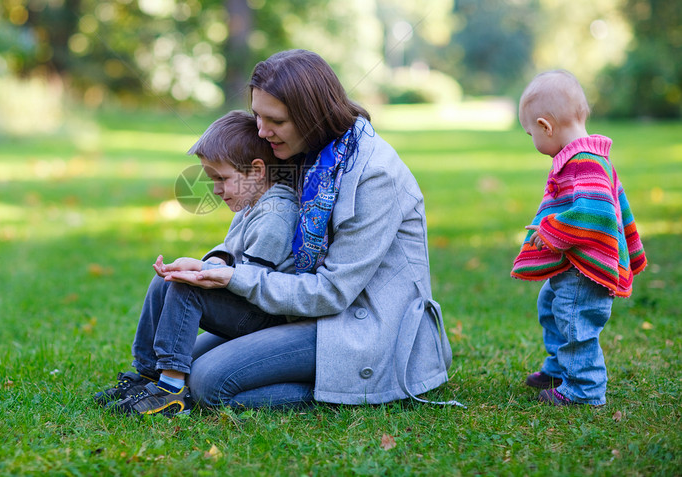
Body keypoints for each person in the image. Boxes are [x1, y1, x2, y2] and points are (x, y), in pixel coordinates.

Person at [161, 49, 456, 409]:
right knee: (184, 361)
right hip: (293, 308)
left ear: (312, 116)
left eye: (276, 121)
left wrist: (232, 278)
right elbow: (247, 234)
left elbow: (332, 293)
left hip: (355, 327)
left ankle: (351, 391)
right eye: (257, 115)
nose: (261, 130)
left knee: (209, 383)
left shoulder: (375, 175)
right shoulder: (296, 154)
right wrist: (213, 264)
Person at [95, 110, 299, 416]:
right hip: (250, 304)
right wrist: (209, 263)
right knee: (170, 279)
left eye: (222, 179)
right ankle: (148, 374)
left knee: (189, 290)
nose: (216, 189)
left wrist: (204, 276)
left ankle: (171, 391)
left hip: (267, 316)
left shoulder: (276, 214)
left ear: (257, 171)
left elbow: (256, 281)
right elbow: (233, 251)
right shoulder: (253, 204)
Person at [512, 70, 647, 407]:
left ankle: (584, 388)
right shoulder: (583, 158)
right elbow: (619, 208)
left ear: (546, 126)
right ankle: (560, 367)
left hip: (584, 271)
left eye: (530, 133)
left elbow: (597, 215)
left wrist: (552, 230)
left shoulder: (585, 162)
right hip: (572, 265)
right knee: (551, 305)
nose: (533, 140)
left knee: (575, 319)